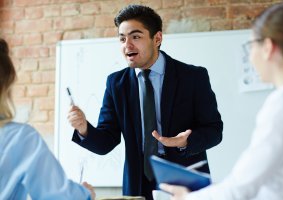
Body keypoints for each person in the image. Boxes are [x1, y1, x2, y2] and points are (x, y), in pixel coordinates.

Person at [68, 4, 223, 200]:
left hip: (185, 179)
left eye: (135, 37)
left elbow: (214, 131)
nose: (127, 45)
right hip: (138, 183)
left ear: (157, 38)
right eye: (122, 39)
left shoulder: (193, 77)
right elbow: (107, 141)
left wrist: (186, 141)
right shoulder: (116, 83)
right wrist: (83, 128)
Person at [160, 2, 283, 200]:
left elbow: (241, 189)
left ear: (268, 47)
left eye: (251, 46)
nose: (250, 57)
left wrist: (187, 198)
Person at [0, 38, 96, 200]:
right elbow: (58, 196)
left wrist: (84, 129)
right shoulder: (19, 138)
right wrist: (85, 194)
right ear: (6, 84)